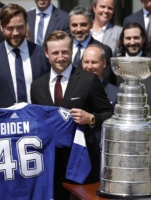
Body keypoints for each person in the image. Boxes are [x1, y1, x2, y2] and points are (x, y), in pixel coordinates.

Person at [30, 30, 113, 200]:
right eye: (55, 53)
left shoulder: (88, 80)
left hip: (83, 162)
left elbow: (110, 114)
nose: (61, 57)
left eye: (65, 52)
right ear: (47, 53)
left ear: (72, 51)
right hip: (50, 165)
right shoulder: (37, 86)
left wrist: (90, 118)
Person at [0, 3, 50, 108]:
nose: (15, 33)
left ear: (26, 25)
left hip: (37, 120)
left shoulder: (42, 54)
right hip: (3, 122)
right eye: (10, 28)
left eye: (20, 27)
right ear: (1, 27)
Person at [82, 44, 118, 145]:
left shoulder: (116, 93)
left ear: (104, 63)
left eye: (94, 62)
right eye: (86, 62)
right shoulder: (73, 88)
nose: (89, 67)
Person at [69, 5, 114, 84]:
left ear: (91, 24)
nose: (79, 29)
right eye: (74, 25)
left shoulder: (103, 50)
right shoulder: (63, 48)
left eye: (83, 25)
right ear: (70, 25)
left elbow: (104, 82)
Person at [116, 22, 151, 86]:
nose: (132, 42)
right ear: (122, 40)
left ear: (143, 39)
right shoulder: (115, 64)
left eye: (136, 38)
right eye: (128, 38)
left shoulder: (149, 62)